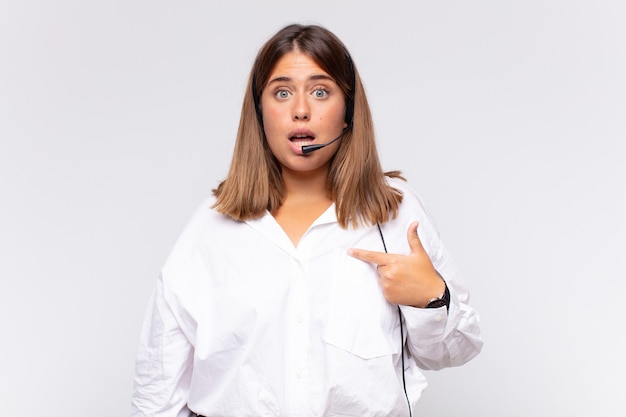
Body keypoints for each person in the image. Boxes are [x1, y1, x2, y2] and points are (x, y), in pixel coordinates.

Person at [131, 23, 482, 417]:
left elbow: (457, 349)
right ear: (260, 112)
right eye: (282, 93)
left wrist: (432, 297)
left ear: (347, 112)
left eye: (320, 91)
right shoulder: (210, 226)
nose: (301, 110)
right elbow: (157, 388)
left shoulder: (395, 212)